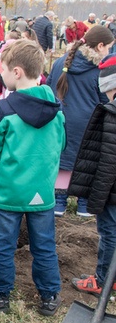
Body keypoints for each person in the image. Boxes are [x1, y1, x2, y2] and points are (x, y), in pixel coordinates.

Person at [0, 39, 65, 315]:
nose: (0, 75)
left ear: (16, 72)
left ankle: (0, 295)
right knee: (44, 246)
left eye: (2, 69)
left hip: (10, 192)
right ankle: (50, 297)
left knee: (3, 246)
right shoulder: (56, 109)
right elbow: (61, 145)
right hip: (43, 192)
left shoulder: (5, 110)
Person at [48, 25, 115, 217]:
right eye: (109, 47)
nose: (109, 52)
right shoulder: (98, 70)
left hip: (59, 121)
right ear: (100, 46)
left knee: (62, 160)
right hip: (88, 124)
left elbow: (49, 88)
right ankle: (84, 203)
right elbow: (105, 100)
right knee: (88, 161)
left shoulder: (61, 62)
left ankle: (58, 202)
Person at [68, 55, 116, 296]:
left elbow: (108, 161)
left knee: (110, 232)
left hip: (111, 191)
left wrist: (97, 198)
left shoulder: (113, 113)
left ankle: (103, 279)